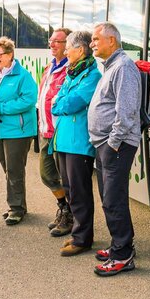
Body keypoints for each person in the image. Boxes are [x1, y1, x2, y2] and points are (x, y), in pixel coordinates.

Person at [87, 22, 141, 276]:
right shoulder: (111, 66)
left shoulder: (123, 67)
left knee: (113, 199)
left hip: (117, 144)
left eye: (96, 39)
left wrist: (113, 143)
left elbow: (126, 111)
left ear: (111, 40)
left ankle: (122, 256)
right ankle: (119, 244)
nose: (92, 43)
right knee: (109, 198)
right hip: (106, 143)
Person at [0, 36, 38, 226]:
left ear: (10, 55)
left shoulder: (22, 76)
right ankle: (18, 205)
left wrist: (0, 107)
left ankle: (16, 208)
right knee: (8, 169)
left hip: (18, 130)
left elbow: (29, 100)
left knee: (14, 170)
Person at [51, 30, 102, 256]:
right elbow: (57, 101)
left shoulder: (92, 76)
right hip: (64, 140)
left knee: (80, 192)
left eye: (68, 48)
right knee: (70, 190)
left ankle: (83, 239)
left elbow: (70, 103)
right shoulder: (72, 73)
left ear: (80, 50)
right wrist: (60, 102)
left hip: (79, 142)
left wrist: (60, 102)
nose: (65, 52)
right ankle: (77, 233)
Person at [37, 28, 72, 236]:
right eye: (51, 40)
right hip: (45, 130)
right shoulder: (49, 67)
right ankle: (64, 207)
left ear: (68, 45)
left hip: (61, 133)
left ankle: (70, 215)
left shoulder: (71, 68)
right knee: (47, 175)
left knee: (67, 179)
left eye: (57, 41)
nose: (52, 44)